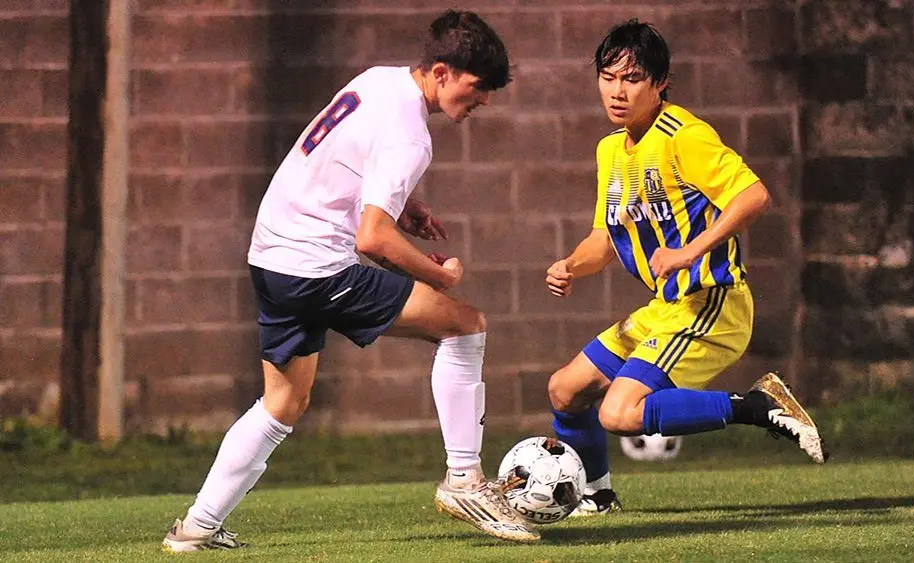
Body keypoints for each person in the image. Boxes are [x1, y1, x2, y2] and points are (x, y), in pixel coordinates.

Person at [162, 10, 540, 551]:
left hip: (271, 257)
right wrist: (437, 273)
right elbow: (372, 240)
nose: (484, 100)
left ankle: (196, 528)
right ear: (440, 72)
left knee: (283, 402)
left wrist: (402, 205)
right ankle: (465, 481)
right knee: (464, 326)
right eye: (478, 87)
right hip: (317, 267)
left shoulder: (377, 80)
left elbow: (344, 157)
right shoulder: (411, 136)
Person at [544, 20, 828, 516]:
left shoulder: (683, 136)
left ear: (660, 83)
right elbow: (606, 238)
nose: (617, 90)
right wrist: (570, 265)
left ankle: (760, 407)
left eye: (632, 79)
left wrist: (689, 250)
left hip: (712, 302)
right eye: (608, 77)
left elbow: (753, 195)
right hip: (666, 308)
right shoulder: (610, 149)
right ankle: (599, 496)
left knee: (620, 412)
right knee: (565, 389)